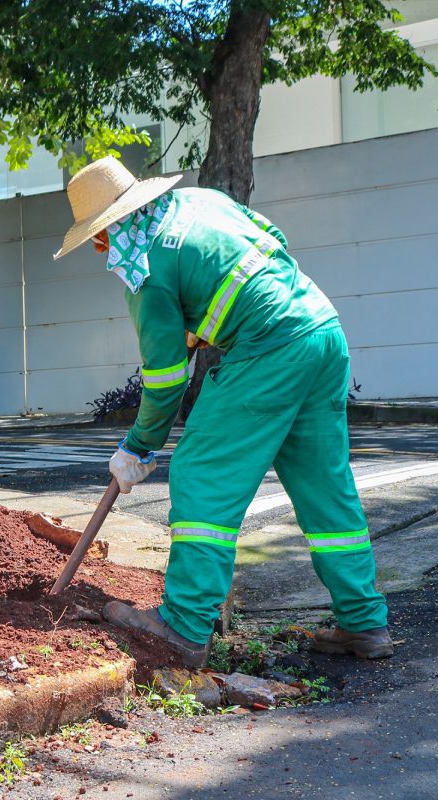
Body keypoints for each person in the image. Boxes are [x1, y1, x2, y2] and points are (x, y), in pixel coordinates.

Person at [53, 157, 392, 667]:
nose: (101, 250)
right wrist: (206, 319)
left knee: (201, 472)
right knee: (326, 489)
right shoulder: (202, 202)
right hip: (320, 330)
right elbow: (270, 240)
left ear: (111, 229)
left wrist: (139, 446)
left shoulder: (145, 268)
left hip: (269, 348)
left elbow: (165, 380)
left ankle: (184, 625)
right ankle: (365, 624)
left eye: (98, 238)